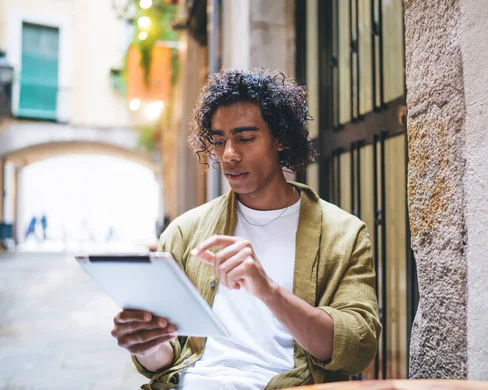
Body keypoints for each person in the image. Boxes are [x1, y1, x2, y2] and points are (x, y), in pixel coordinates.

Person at [110, 69, 381, 390]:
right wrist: (148, 346)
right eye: (219, 140)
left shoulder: (344, 234)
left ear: (280, 139)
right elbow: (169, 358)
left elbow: (357, 350)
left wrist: (267, 289)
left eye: (246, 138)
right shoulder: (185, 232)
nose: (229, 155)